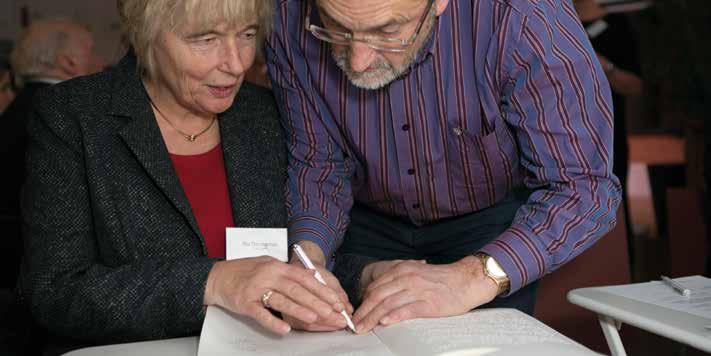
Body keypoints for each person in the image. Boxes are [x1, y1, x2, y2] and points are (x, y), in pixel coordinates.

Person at [266, 0, 621, 334]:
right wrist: (307, 259)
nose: (357, 62)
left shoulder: (521, 16)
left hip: (489, 228)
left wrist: (473, 277)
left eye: (388, 31)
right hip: (364, 223)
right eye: (338, 29)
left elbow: (584, 186)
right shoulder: (288, 15)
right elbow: (318, 163)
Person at [20, 0, 350, 352]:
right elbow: (53, 290)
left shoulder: (264, 114)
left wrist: (370, 275)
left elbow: (302, 250)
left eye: (247, 34)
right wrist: (211, 282)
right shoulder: (74, 117)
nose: (237, 63)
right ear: (147, 36)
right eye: (205, 40)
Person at [1, 19, 104, 291]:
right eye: (92, 51)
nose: (101, 61)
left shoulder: (16, 110)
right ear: (68, 62)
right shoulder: (64, 117)